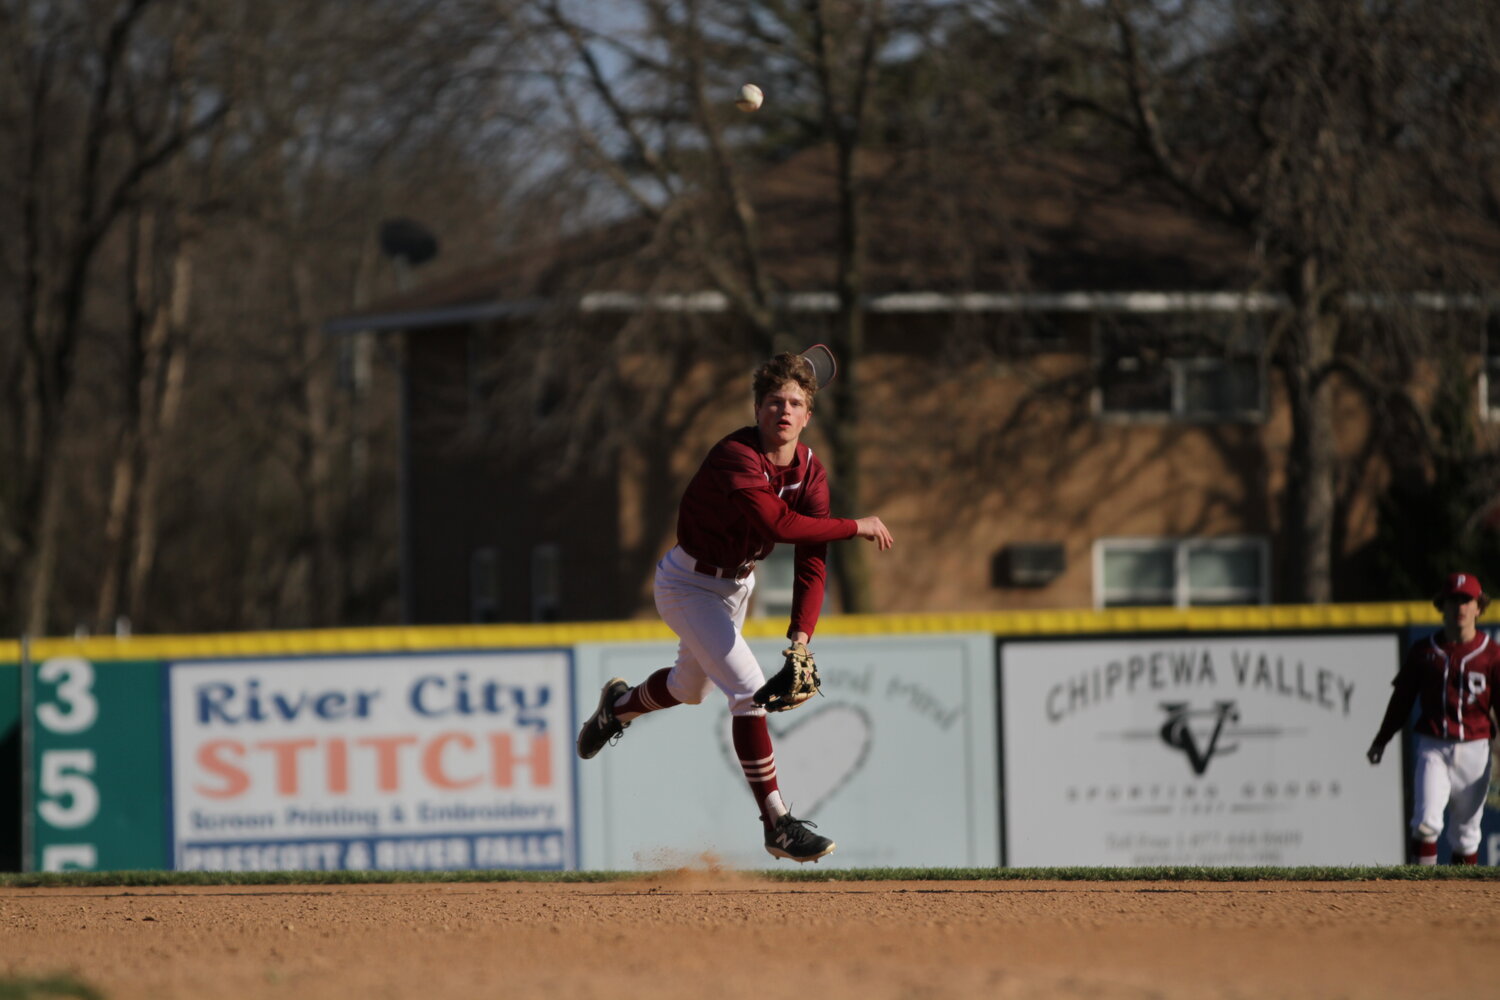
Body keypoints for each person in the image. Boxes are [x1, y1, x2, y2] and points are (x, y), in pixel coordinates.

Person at [576, 348, 894, 863]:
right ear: (757, 409)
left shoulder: (811, 472)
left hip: (736, 587)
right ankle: (778, 824)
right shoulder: (736, 456)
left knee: (689, 688)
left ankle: (616, 709)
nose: (784, 411)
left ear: (808, 416)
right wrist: (855, 525)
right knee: (749, 693)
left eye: (794, 403)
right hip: (688, 584)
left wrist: (800, 638)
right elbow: (779, 528)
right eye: (773, 401)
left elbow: (812, 560)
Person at [1367, 572, 1500, 865]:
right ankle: (1420, 896)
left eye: (1467, 601)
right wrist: (1382, 738)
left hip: (1476, 748)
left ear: (1479, 607)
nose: (1460, 608)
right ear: (1442, 606)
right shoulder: (1424, 651)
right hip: (1433, 746)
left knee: (1466, 836)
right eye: (1453, 600)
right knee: (1425, 824)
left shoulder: (1491, 654)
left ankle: (1456, 901)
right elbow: (1401, 700)